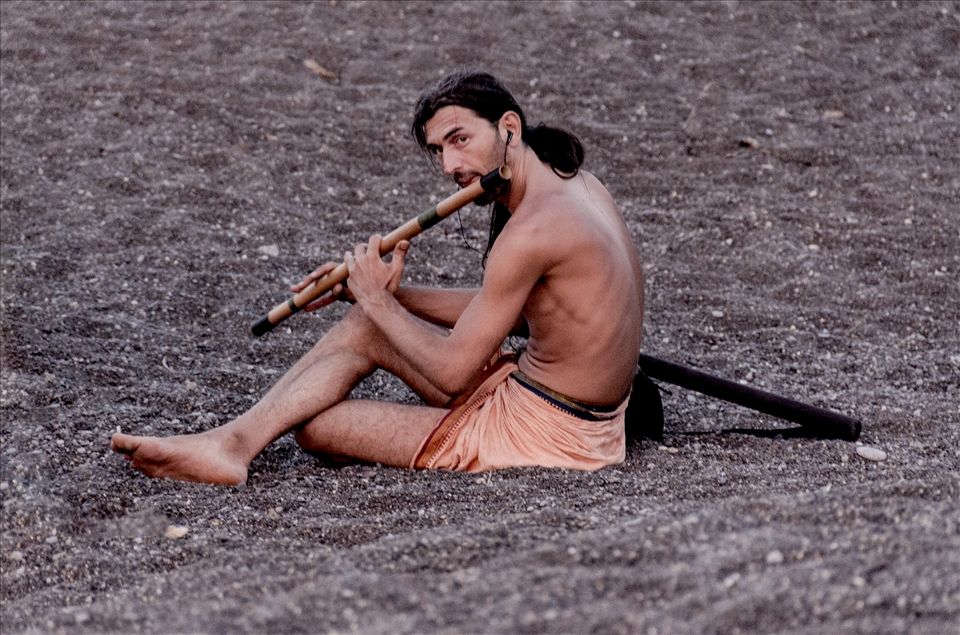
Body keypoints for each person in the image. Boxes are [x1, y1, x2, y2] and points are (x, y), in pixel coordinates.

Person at [110, 71, 648, 485]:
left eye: (460, 139)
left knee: (316, 429)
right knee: (366, 321)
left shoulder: (529, 231)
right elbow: (517, 307)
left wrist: (377, 299)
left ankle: (231, 445)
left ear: (508, 126)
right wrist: (383, 294)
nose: (449, 166)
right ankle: (230, 443)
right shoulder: (575, 182)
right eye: (440, 149)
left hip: (551, 436)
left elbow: (455, 372)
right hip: (563, 403)